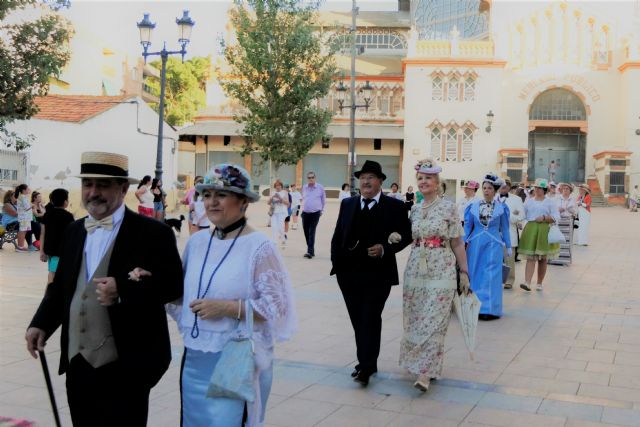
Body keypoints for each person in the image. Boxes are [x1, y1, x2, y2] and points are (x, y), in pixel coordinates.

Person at [25, 151, 183, 426]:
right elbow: (60, 287)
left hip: (128, 363)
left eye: (103, 185)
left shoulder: (153, 233)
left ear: (123, 189)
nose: (93, 192)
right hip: (78, 362)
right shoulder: (74, 231)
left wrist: (123, 290)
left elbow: (173, 286)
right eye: (88, 184)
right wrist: (41, 323)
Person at [166, 163, 296, 426]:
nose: (212, 202)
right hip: (195, 358)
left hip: (236, 360)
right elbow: (177, 294)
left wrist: (227, 308)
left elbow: (276, 309)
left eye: (221, 195)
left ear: (244, 202)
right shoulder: (197, 242)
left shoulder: (260, 247)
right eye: (207, 195)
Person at [330, 160, 411, 387]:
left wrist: (386, 248)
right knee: (358, 320)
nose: (365, 181)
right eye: (362, 177)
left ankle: (365, 366)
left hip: (378, 275)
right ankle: (368, 362)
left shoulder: (394, 207)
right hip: (348, 274)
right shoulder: (348, 204)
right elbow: (338, 236)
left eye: (370, 177)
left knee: (370, 318)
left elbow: (406, 235)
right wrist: (337, 263)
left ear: (381, 181)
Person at [400, 159, 469, 392]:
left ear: (437, 182)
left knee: (435, 319)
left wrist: (465, 273)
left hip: (442, 267)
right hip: (416, 269)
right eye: (420, 178)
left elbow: (458, 242)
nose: (423, 182)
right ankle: (420, 363)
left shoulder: (449, 207)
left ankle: (425, 372)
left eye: (428, 178)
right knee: (417, 317)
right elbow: (409, 237)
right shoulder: (416, 209)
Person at [464, 174, 510, 320]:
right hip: (476, 243)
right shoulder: (473, 206)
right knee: (475, 273)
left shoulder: (502, 208)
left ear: (495, 190)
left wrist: (508, 246)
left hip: (494, 243)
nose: (486, 190)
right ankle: (474, 307)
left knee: (491, 275)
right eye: (484, 188)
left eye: (489, 188)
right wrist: (463, 242)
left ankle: (490, 309)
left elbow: (505, 228)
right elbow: (467, 226)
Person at [519, 179, 560, 291]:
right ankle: (527, 282)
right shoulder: (529, 201)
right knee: (531, 257)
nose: (537, 190)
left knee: (543, 258)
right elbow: (523, 213)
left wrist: (544, 218)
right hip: (531, 229)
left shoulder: (550, 202)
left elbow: (557, 217)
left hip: (544, 229)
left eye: (540, 188)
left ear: (544, 190)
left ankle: (539, 283)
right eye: (536, 187)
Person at [39, 188, 74, 283]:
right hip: (60, 252)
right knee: (53, 274)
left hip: (49, 250)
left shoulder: (47, 215)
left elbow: (42, 234)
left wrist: (41, 251)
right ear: (65, 201)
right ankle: (49, 294)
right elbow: (71, 236)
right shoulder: (69, 216)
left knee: (53, 271)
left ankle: (52, 293)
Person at [497, 179, 524, 289]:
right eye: (501, 186)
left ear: (509, 187)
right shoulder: (493, 198)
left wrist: (509, 216)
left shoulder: (517, 199)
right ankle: (495, 279)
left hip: (509, 232)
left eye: (505, 186)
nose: (503, 188)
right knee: (495, 258)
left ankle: (509, 280)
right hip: (494, 233)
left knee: (509, 258)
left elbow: (521, 215)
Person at [301, 171, 325, 259]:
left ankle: (310, 251)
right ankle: (311, 249)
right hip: (305, 213)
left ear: (315, 178)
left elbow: (323, 200)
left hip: (315, 213)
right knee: (306, 231)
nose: (311, 179)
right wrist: (302, 210)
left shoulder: (320, 187)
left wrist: (321, 211)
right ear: (307, 179)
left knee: (311, 231)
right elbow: (303, 199)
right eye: (309, 178)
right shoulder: (304, 187)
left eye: (312, 177)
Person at [15, 184, 35, 252]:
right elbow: (26, 208)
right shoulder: (22, 197)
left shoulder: (23, 197)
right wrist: (32, 205)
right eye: (28, 189)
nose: (29, 190)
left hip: (26, 218)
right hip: (24, 218)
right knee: (22, 231)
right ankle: (20, 247)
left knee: (24, 231)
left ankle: (21, 246)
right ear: (24, 190)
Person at [269, 179, 289, 247]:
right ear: (275, 187)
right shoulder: (272, 192)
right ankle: (274, 242)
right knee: (274, 227)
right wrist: (271, 199)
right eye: (276, 186)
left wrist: (280, 198)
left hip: (281, 212)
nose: (278, 187)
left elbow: (288, 203)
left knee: (280, 227)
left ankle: (283, 238)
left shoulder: (285, 192)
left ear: (281, 186)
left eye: (279, 185)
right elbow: (268, 203)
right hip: (274, 212)